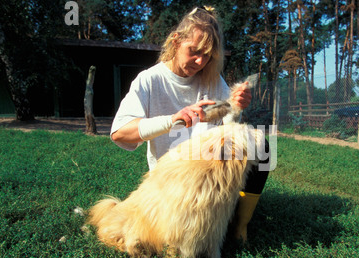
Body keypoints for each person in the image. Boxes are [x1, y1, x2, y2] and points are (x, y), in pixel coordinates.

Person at [110, 6, 268, 243]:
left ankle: (240, 225)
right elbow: (119, 133)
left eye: (208, 56)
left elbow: (229, 129)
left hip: (211, 176)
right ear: (176, 41)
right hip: (174, 183)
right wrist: (172, 120)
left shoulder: (213, 80)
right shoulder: (150, 80)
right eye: (194, 51)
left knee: (264, 148)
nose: (200, 61)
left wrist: (235, 108)